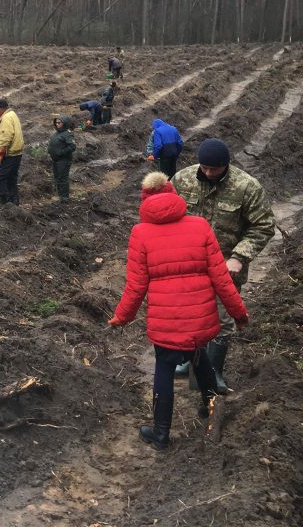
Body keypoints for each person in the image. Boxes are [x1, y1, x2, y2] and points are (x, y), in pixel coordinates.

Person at [109, 172, 249, 450]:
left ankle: (160, 433)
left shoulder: (141, 233)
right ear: (175, 195)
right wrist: (239, 313)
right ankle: (210, 408)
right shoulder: (200, 226)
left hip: (166, 322)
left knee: (164, 368)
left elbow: (136, 286)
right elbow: (222, 277)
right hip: (200, 320)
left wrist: (121, 317)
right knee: (200, 357)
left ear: (144, 201)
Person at [170, 138, 275, 392]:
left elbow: (263, 225)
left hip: (226, 268)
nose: (208, 173)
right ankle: (186, 361)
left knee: (221, 320)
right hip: (188, 265)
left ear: (225, 165)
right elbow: (166, 214)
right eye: (204, 168)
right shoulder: (182, 180)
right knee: (187, 316)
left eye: (213, 169)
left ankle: (213, 371)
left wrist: (239, 257)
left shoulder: (246, 187)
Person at [0, 98, 24, 205]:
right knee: (11, 179)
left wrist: (0, 155)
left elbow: (6, 137)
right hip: (17, 153)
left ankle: (6, 202)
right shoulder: (13, 115)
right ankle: (15, 202)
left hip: (9, 154)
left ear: (1, 109)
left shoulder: (6, 118)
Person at [47, 115, 76, 202]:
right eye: (56, 122)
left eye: (59, 123)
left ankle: (64, 198)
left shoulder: (67, 134)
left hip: (63, 160)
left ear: (65, 123)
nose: (57, 124)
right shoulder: (57, 133)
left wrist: (60, 152)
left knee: (62, 178)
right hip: (55, 159)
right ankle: (60, 195)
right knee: (57, 177)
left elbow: (72, 146)